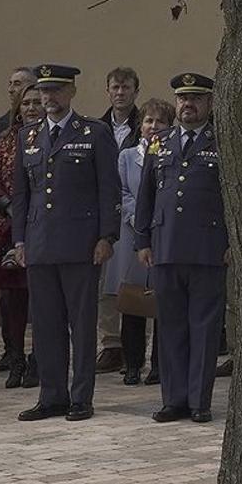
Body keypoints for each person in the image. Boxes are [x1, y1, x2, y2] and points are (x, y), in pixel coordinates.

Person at [12, 64, 119, 422]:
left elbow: (108, 188)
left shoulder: (93, 132)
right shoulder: (27, 135)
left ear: (71, 91)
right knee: (45, 325)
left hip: (79, 243)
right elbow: (21, 194)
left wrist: (106, 236)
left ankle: (80, 396)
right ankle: (51, 395)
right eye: (44, 91)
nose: (49, 98)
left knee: (82, 324)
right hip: (40, 243)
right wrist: (20, 240)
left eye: (56, 90)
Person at [135, 74, 227, 423]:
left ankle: (198, 401)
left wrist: (232, 242)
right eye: (182, 98)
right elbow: (146, 195)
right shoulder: (160, 142)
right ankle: (172, 399)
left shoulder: (221, 141)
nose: (188, 104)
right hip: (165, 246)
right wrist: (143, 240)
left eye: (196, 98)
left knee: (204, 328)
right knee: (171, 326)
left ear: (209, 103)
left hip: (207, 248)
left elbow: (232, 198)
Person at [0, 85, 42, 388]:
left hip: (42, 227)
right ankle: (15, 358)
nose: (31, 108)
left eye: (36, 102)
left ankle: (38, 360)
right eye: (26, 103)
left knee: (42, 298)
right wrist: (7, 206)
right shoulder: (7, 138)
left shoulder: (48, 137)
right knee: (12, 300)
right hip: (7, 227)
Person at [113, 99, 172, 385]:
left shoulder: (171, 154)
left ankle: (159, 365)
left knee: (163, 300)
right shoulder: (126, 156)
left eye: (160, 122)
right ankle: (132, 363)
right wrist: (140, 217)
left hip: (165, 235)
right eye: (149, 121)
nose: (153, 127)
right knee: (133, 301)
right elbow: (122, 191)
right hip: (134, 233)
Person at [96, 67, 142, 375]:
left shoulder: (146, 124)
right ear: (108, 91)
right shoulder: (96, 127)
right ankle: (111, 344)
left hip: (133, 212)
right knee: (105, 281)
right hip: (103, 210)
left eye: (126, 87)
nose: (120, 92)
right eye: (115, 87)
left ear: (135, 91)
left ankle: (134, 345)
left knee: (132, 279)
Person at [0, 66, 36, 160]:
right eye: (10, 84)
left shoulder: (49, 121)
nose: (11, 89)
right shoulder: (2, 125)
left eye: (17, 84)